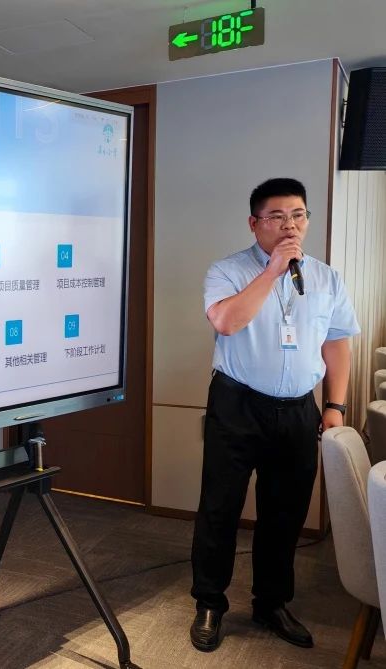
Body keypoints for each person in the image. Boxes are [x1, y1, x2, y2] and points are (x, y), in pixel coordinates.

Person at [190, 178, 360, 652]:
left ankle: (271, 602)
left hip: (298, 410)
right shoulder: (226, 271)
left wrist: (335, 406)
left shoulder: (326, 278)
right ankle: (209, 602)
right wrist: (272, 272)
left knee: (285, 513)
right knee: (220, 507)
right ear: (254, 223)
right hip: (237, 405)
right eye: (278, 217)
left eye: (298, 215)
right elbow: (227, 321)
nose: (290, 226)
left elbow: (337, 342)